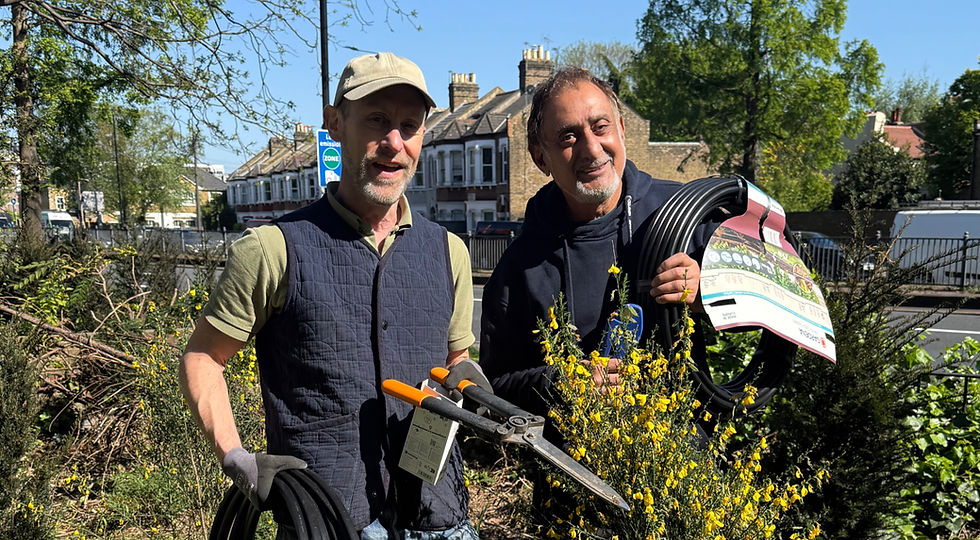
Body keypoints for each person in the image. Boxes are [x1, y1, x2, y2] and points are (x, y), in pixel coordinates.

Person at [179, 52, 484, 539]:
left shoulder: (450, 253)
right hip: (326, 520)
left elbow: (454, 362)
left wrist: (463, 382)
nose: (394, 144)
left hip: (437, 518)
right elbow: (202, 357)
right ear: (334, 123)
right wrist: (233, 453)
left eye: (409, 126)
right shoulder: (273, 249)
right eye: (378, 121)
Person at [479, 68, 712, 521]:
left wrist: (711, 285)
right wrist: (561, 382)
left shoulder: (685, 215)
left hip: (686, 485)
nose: (590, 148)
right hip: (572, 500)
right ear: (540, 156)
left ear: (621, 129)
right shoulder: (518, 267)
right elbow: (492, 391)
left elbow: (778, 291)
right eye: (567, 137)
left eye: (600, 126)